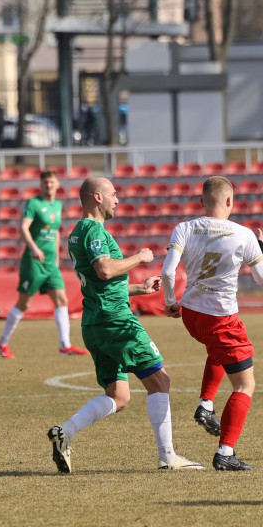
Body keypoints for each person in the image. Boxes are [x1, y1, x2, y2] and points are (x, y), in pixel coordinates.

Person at [46, 176, 203, 473]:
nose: (118, 200)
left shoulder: (77, 233)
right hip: (115, 319)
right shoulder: (93, 229)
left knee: (119, 396)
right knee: (160, 380)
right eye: (113, 194)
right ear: (97, 197)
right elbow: (104, 270)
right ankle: (168, 456)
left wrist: (140, 289)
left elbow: (99, 281)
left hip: (95, 322)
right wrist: (140, 257)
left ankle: (65, 432)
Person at [161, 176, 263, 471]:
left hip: (191, 314)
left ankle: (206, 404)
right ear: (229, 201)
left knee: (216, 350)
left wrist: (171, 302)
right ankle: (225, 452)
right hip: (220, 317)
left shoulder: (185, 227)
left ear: (201, 203)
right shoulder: (244, 234)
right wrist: (262, 248)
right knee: (245, 385)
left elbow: (168, 271)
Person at [0, 170, 87, 358]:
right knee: (24, 303)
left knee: (61, 299)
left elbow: (54, 234)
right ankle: (2, 343)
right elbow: (23, 228)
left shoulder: (58, 206)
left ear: (58, 184)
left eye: (52, 182)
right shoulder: (34, 204)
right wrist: (34, 248)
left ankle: (65, 346)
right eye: (46, 182)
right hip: (34, 261)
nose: (49, 185)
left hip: (50, 264)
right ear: (41, 185)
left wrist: (56, 259)